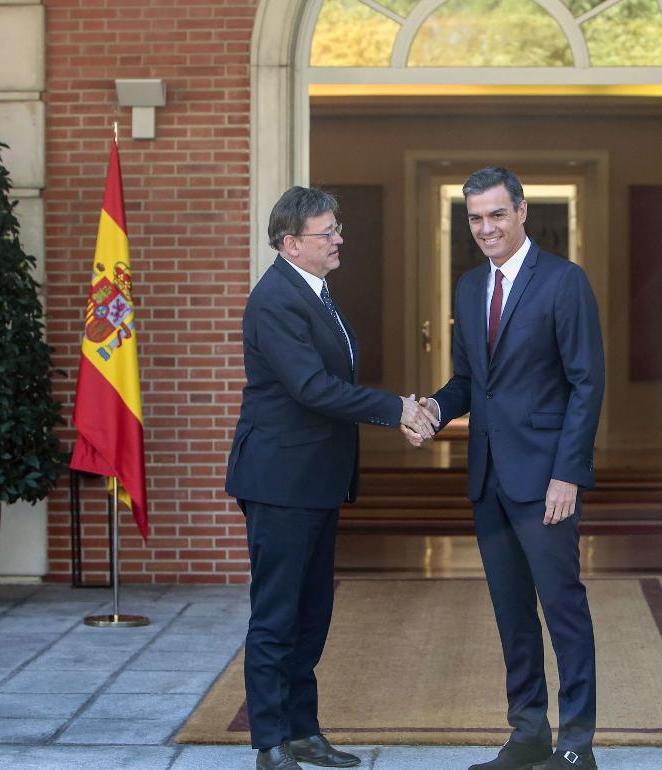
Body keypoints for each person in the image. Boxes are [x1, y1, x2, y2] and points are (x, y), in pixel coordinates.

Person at [227, 186, 438, 770]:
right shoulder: (275, 299)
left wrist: (399, 409)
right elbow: (311, 388)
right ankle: (269, 742)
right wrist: (396, 409)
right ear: (291, 243)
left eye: (337, 229)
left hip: (316, 480)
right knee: (277, 614)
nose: (339, 238)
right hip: (280, 481)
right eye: (327, 232)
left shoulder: (315, 294)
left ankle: (302, 732)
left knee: (312, 611)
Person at [409, 166, 605, 770]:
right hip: (488, 479)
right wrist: (434, 411)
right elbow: (472, 383)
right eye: (475, 217)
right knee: (511, 613)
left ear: (522, 211)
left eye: (497, 214)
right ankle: (527, 734)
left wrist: (567, 475)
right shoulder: (469, 288)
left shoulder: (564, 282)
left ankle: (576, 744)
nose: (486, 227)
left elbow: (586, 384)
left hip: (546, 481)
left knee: (562, 607)